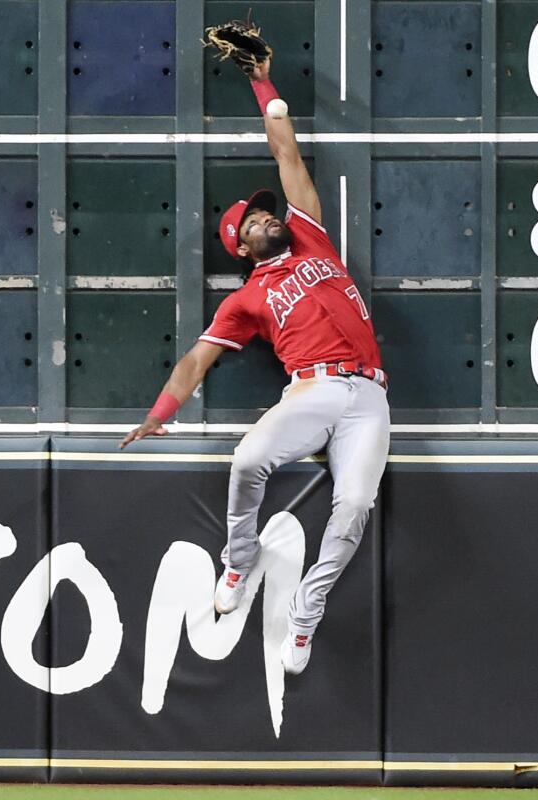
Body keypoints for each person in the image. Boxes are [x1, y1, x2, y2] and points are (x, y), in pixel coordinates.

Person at [120, 56, 390, 676]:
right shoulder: (246, 298)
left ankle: (306, 614)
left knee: (352, 506)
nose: (268, 215)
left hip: (369, 396)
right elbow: (198, 358)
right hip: (312, 391)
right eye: (253, 218)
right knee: (247, 459)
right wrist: (161, 413)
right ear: (239, 245)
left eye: (267, 211)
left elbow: (286, 152)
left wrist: (260, 81)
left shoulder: (312, 238)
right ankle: (238, 559)